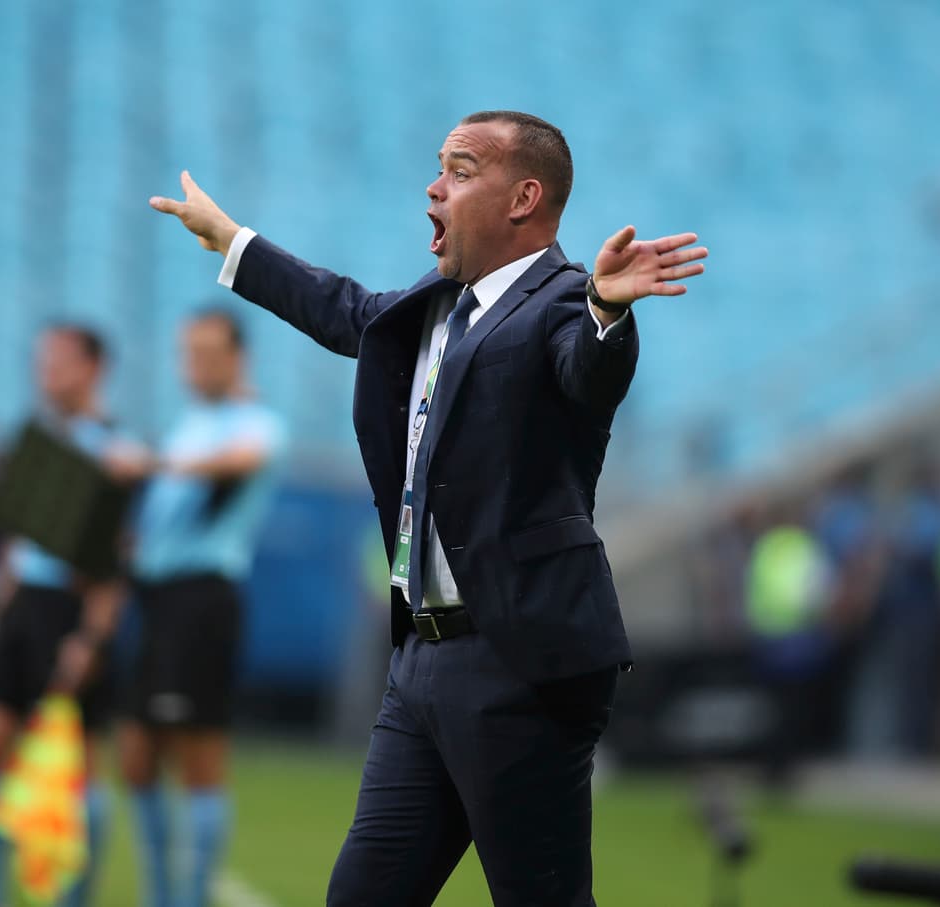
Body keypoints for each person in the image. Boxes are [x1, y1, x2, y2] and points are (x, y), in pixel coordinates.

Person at [150, 110, 706, 905]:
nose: (434, 184)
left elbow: (588, 371)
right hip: (419, 659)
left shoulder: (561, 302)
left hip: (518, 660)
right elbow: (343, 311)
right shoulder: (438, 304)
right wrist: (234, 241)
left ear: (523, 198)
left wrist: (608, 313)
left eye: (460, 167)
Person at [0, 325, 129, 907]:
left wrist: (91, 636)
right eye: (42, 361)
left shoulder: (113, 451)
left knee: (76, 767)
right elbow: (16, 542)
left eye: (58, 362)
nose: (45, 372)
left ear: (91, 369)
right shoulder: (36, 440)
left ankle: (72, 898)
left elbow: (117, 561)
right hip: (22, 605)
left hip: (70, 611)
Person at [118, 308, 285, 907]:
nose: (197, 363)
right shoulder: (189, 423)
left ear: (237, 359)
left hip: (203, 603)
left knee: (198, 755)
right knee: (135, 756)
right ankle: (163, 894)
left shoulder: (254, 422)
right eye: (189, 351)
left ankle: (187, 898)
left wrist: (157, 464)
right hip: (159, 600)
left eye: (210, 352)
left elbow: (244, 460)